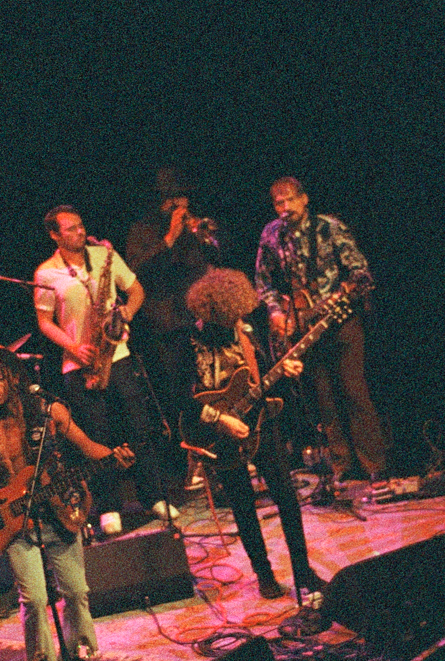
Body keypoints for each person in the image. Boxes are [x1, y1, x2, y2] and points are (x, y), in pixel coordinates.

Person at [0, 348, 134, 661]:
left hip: (58, 512)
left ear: (14, 378)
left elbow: (86, 445)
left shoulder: (47, 410)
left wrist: (115, 456)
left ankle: (76, 659)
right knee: (34, 599)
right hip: (14, 524)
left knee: (76, 591)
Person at [181, 269, 328, 601]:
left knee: (287, 498)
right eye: (230, 316)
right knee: (243, 505)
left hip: (262, 422)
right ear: (213, 314)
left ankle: (303, 571)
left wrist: (284, 370)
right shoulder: (189, 343)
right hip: (219, 432)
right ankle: (264, 574)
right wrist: (221, 420)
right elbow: (180, 400)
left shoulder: (246, 332)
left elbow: (262, 375)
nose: (237, 320)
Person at [34, 205, 176, 535]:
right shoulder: (46, 274)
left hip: (117, 354)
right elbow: (44, 322)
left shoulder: (104, 256)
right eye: (71, 229)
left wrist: (127, 312)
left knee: (139, 427)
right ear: (54, 235)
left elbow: (136, 291)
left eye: (81, 225)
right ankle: (109, 505)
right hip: (79, 364)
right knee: (97, 436)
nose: (80, 232)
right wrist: (73, 346)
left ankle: (153, 496)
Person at [253, 176, 389, 498]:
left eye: (290, 200)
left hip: (340, 321)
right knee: (324, 400)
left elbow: (360, 272)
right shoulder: (271, 234)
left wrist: (342, 294)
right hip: (304, 327)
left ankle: (375, 466)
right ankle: (341, 466)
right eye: (278, 203)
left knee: (355, 392)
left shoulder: (329, 228)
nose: (285, 208)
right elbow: (262, 283)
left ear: (304, 199)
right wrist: (276, 313)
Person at [123, 167, 220, 474]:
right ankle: (188, 462)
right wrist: (169, 239)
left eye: (183, 198)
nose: (181, 205)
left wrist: (205, 239)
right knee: (178, 397)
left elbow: (213, 261)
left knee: (212, 389)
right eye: (174, 199)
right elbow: (134, 270)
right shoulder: (141, 231)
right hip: (165, 328)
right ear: (163, 202)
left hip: (200, 322)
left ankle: (218, 452)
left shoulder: (195, 230)